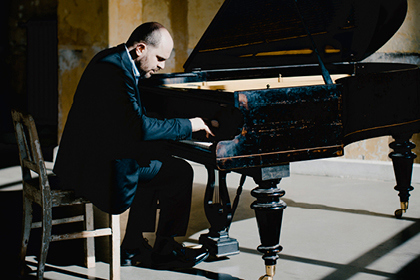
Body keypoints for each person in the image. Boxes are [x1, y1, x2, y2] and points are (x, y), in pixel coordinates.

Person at [53, 22, 213, 269]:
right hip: (95, 169)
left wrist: (164, 126)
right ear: (140, 49)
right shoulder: (115, 72)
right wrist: (189, 125)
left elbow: (129, 120)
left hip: (87, 157)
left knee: (151, 159)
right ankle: (164, 249)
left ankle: (132, 245)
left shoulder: (112, 59)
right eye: (159, 58)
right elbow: (139, 127)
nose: (161, 66)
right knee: (179, 172)